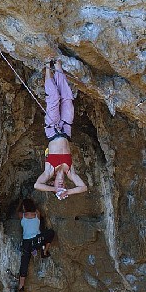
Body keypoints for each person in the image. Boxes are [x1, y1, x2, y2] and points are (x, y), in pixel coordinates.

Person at [34, 59, 87, 199]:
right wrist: (67, 192)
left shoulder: (49, 171)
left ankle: (47, 68)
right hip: (65, 130)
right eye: (64, 186)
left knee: (53, 98)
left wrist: (53, 190)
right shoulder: (70, 172)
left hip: (52, 130)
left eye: (59, 185)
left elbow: (37, 185)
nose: (62, 184)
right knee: (67, 100)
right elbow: (83, 187)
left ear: (53, 183)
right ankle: (58, 66)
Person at [17, 198, 55, 292]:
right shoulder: (37, 214)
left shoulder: (22, 215)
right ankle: (44, 251)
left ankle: (21, 285)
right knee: (51, 232)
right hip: (37, 240)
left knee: (24, 262)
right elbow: (37, 209)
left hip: (26, 244)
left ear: (24, 207)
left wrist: (20, 203)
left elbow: (17, 211)